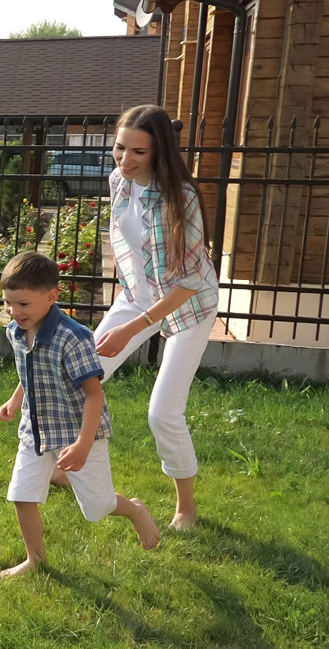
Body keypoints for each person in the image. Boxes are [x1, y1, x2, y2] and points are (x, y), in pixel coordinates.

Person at [80, 104, 220, 532]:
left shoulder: (183, 197)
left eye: (138, 152)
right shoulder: (118, 182)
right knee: (81, 375)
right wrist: (129, 309)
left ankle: (186, 508)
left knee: (162, 413)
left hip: (188, 305)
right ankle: (66, 466)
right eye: (120, 148)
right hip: (136, 298)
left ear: (158, 152)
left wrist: (133, 329)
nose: (125, 160)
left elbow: (190, 282)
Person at [0, 252, 160, 577]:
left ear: (52, 296)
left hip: (78, 433)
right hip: (36, 431)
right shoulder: (16, 332)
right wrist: (16, 400)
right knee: (22, 496)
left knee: (98, 508)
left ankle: (134, 509)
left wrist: (84, 445)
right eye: (8, 304)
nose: (15, 313)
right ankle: (35, 559)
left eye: (23, 305)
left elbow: (94, 394)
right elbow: (29, 369)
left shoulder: (73, 337)